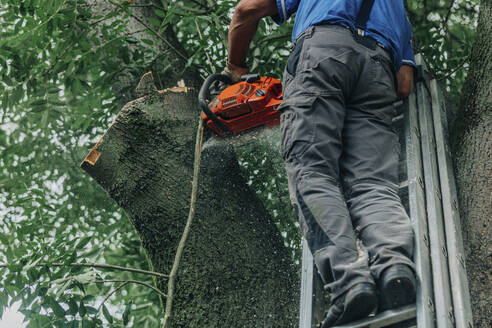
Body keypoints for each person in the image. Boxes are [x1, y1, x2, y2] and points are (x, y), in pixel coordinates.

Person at [225, 0, 417, 326]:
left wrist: (236, 69)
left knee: (310, 169)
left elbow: (246, 11)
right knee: (374, 182)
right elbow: (405, 84)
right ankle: (393, 266)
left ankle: (349, 280)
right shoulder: (398, 9)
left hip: (322, 53)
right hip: (378, 71)